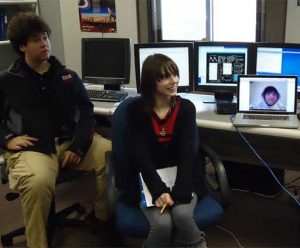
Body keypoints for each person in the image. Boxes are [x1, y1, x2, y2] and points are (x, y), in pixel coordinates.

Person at [0, 12, 111, 248]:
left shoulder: (67, 76)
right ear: (22, 47)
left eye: (46, 38)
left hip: (69, 142)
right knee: (38, 182)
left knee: (111, 155)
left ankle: (102, 218)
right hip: (35, 147)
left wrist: (79, 146)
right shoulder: (7, 81)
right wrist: (7, 139)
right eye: (36, 40)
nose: (45, 44)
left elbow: (86, 112)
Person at [126, 54, 207, 247]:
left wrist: (180, 192)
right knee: (162, 225)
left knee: (182, 215)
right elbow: (140, 155)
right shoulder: (135, 110)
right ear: (150, 83)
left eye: (175, 74)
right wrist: (158, 190)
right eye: (165, 77)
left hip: (182, 177)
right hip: (149, 178)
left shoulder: (185, 108)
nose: (174, 81)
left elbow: (187, 153)